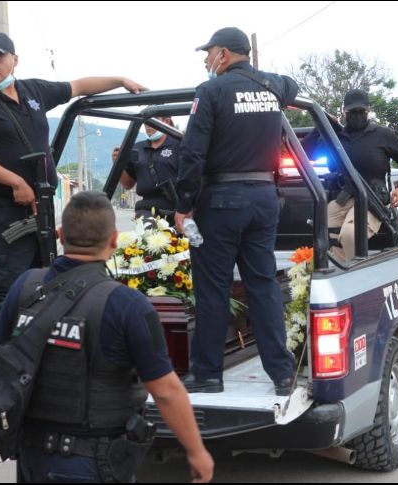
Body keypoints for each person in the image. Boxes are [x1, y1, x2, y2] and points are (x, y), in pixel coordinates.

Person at [0, 191, 214, 483]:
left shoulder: (25, 286)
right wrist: (197, 451)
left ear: (61, 235)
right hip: (93, 461)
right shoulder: (126, 304)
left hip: (32, 457)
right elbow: (165, 391)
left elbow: (0, 357)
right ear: (114, 241)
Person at [0, 31, 148, 334]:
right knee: (10, 288)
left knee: (42, 282)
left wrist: (119, 80)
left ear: (14, 59)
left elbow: (78, 86)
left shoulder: (33, 92)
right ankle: (5, 354)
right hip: (4, 212)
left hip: (38, 209)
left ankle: (36, 347)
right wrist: (15, 181)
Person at [174, 27, 298, 396]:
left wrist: (184, 206)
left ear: (224, 54)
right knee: (263, 286)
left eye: (209, 53)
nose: (206, 60)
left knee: (212, 289)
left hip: (222, 200)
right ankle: (282, 374)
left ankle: (207, 375)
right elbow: (290, 85)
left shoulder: (210, 91)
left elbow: (192, 153)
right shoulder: (273, 86)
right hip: (263, 197)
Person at [327, 89, 398, 261]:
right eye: (353, 112)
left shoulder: (383, 134)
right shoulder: (338, 136)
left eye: (361, 112)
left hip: (373, 200)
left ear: (368, 111)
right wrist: (324, 125)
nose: (357, 115)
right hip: (346, 196)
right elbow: (309, 150)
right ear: (344, 111)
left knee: (350, 235)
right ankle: (340, 271)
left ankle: (358, 277)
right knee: (322, 230)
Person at [120, 117, 181, 221]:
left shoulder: (179, 144)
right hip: (146, 209)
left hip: (176, 208)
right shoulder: (137, 148)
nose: (148, 125)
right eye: (146, 122)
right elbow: (128, 184)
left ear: (166, 121)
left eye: (153, 121)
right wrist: (119, 163)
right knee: (148, 231)